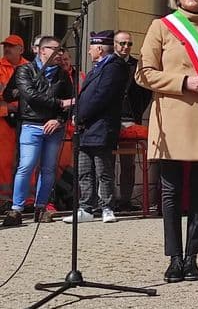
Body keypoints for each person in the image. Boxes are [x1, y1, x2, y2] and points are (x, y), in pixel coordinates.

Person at [135, 0, 198, 282]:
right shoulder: (161, 26)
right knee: (171, 192)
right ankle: (174, 257)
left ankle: (192, 257)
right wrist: (183, 81)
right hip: (171, 117)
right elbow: (143, 73)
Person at [2, 37, 73, 227]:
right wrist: (60, 103)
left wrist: (58, 120)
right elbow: (31, 96)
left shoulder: (62, 74)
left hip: (53, 127)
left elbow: (71, 101)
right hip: (30, 124)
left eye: (61, 50)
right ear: (42, 51)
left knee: (48, 168)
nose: (59, 53)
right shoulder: (25, 70)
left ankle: (41, 207)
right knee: (26, 165)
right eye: (54, 49)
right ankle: (16, 209)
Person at [63, 30, 130, 224]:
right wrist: (77, 114)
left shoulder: (114, 67)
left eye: (91, 47)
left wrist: (80, 115)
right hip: (87, 128)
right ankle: (86, 208)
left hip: (101, 126)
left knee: (103, 170)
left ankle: (107, 207)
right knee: (84, 170)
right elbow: (86, 95)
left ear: (99, 49)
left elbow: (102, 95)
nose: (89, 51)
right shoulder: (97, 68)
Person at [114, 30, 151, 212]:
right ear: (114, 44)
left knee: (128, 164)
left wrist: (137, 111)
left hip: (130, 118)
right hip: (109, 119)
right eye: (122, 43)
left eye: (129, 44)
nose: (126, 47)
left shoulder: (137, 66)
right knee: (106, 163)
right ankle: (106, 201)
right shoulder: (108, 63)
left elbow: (146, 92)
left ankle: (125, 200)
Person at [0, 35, 29, 208]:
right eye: (6, 46)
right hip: (4, 122)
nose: (7, 49)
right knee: (4, 161)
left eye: (11, 46)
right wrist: (8, 108)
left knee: (27, 161)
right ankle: (4, 200)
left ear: (21, 49)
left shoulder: (29, 68)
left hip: (26, 119)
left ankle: (29, 200)